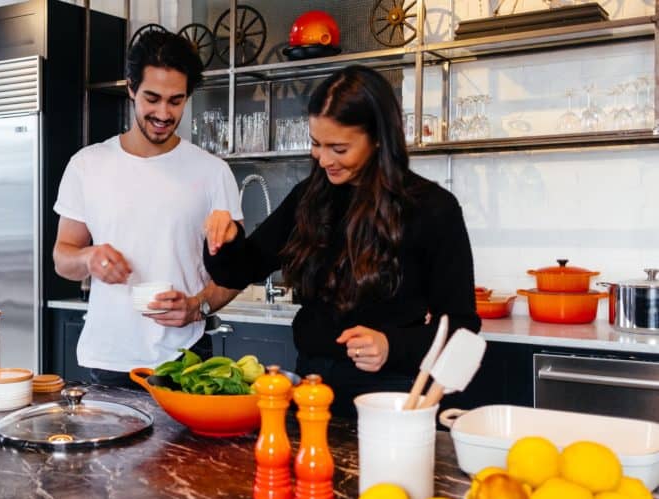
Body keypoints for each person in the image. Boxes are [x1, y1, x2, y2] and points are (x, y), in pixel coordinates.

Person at [203, 65, 481, 416]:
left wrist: (391, 345)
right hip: (312, 391)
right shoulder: (309, 198)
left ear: (378, 138)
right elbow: (239, 270)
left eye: (339, 148)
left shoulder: (432, 209)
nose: (324, 160)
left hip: (391, 396)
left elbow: (461, 327)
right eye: (316, 144)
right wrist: (224, 239)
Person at [53, 30, 242, 388]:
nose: (163, 113)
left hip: (185, 359)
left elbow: (237, 270)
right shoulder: (87, 165)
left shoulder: (212, 172)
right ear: (131, 89)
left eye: (176, 101)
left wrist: (198, 306)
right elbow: (63, 258)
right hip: (108, 358)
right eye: (152, 99)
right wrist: (89, 258)